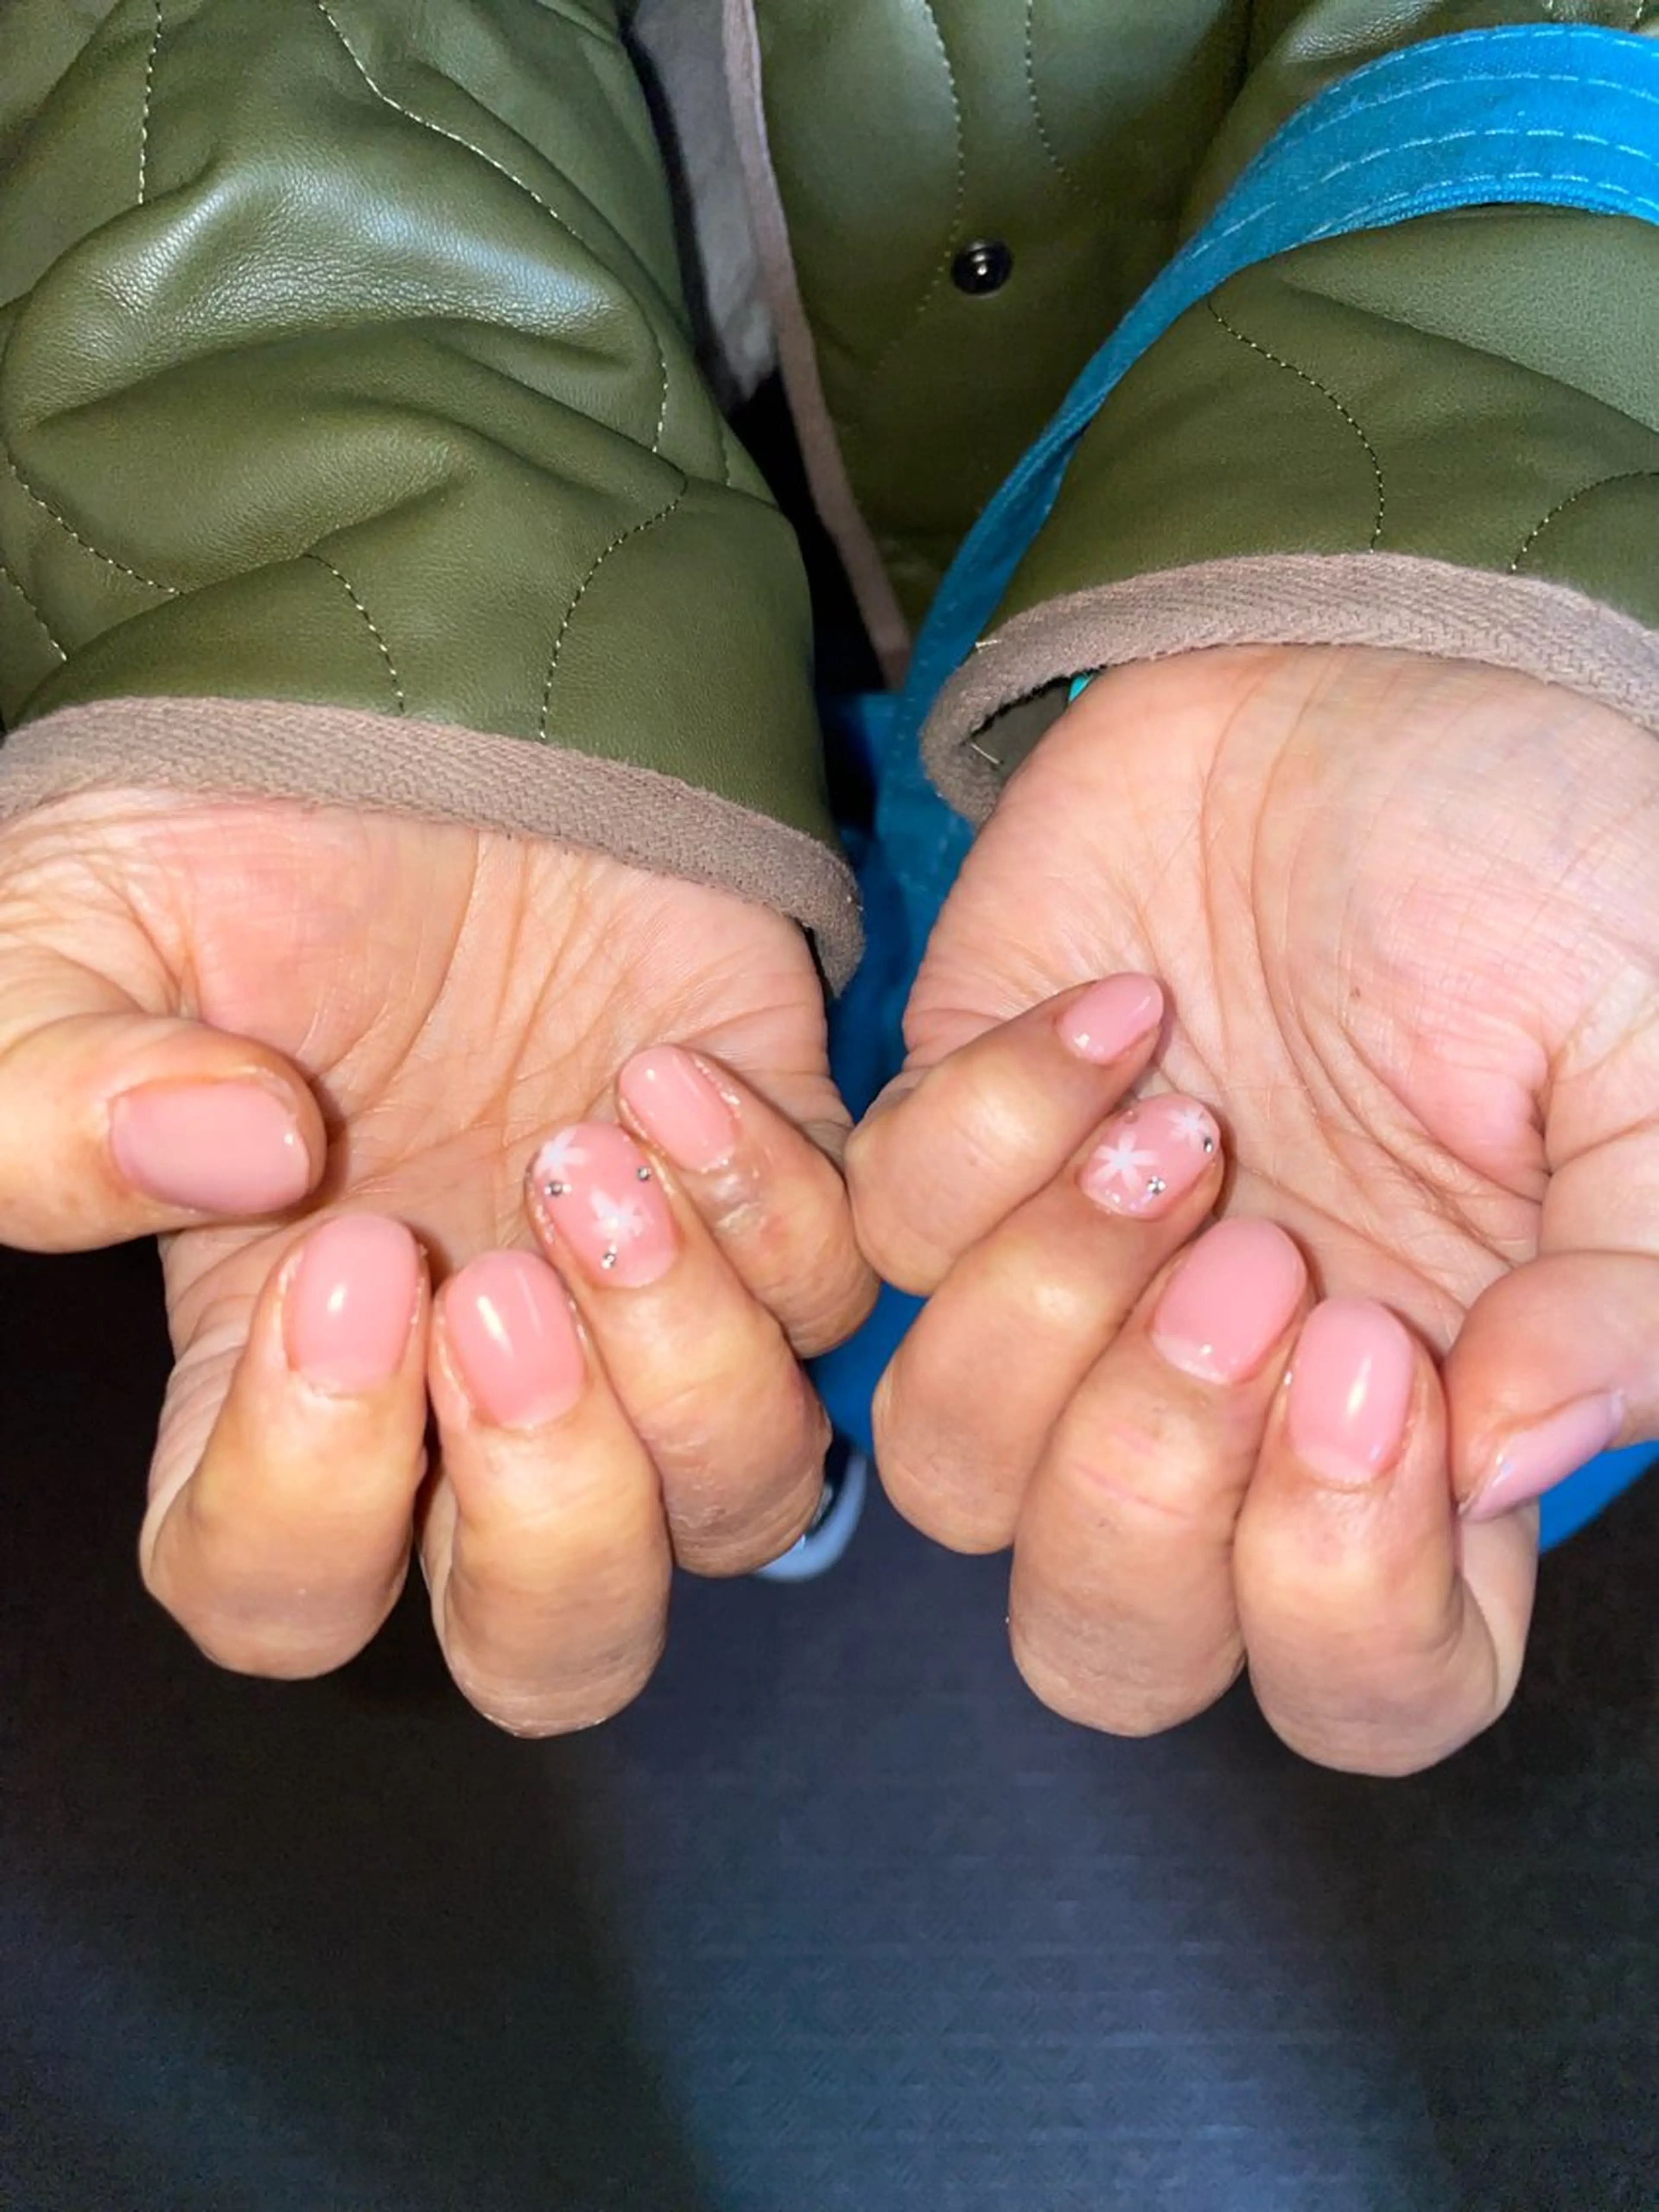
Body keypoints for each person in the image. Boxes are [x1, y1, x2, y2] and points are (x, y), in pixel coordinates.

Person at [1, 0, 1655, 1770]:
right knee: (796, 1167)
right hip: (654, 424)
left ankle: (787, 1405)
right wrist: (373, 579)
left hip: (1218, 411)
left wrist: (1512, 522)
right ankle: (788, 1403)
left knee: (1063, 1177)